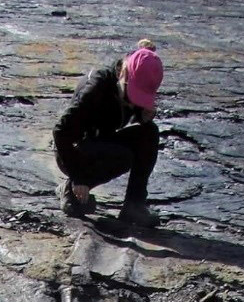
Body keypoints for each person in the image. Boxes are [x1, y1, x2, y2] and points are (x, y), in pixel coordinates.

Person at [53, 39, 163, 228]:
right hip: (72, 149)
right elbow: (61, 131)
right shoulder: (97, 87)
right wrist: (78, 177)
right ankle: (71, 189)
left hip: (100, 141)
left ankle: (134, 204)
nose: (133, 101)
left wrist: (142, 116)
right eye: (133, 95)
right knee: (123, 156)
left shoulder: (132, 81)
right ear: (124, 74)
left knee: (149, 132)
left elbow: (121, 115)